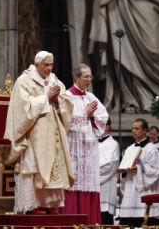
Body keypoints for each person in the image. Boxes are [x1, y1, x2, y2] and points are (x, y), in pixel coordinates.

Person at [4, 51, 75, 213]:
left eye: (51, 65)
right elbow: (22, 109)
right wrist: (46, 97)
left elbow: (67, 103)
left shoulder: (54, 80)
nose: (49, 68)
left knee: (52, 166)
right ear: (36, 65)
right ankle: (33, 205)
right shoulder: (24, 81)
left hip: (53, 132)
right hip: (33, 133)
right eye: (46, 65)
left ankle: (49, 204)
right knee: (34, 165)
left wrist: (58, 99)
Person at [62, 63, 109, 224]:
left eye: (90, 76)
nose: (89, 79)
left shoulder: (91, 97)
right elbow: (64, 120)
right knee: (73, 182)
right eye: (86, 76)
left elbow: (103, 117)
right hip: (73, 146)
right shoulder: (66, 96)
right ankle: (70, 222)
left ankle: (90, 223)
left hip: (89, 148)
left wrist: (91, 117)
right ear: (76, 77)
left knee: (88, 182)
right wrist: (85, 114)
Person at [119, 118, 159, 227]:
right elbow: (123, 169)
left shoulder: (151, 149)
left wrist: (139, 168)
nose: (133, 131)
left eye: (137, 128)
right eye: (133, 128)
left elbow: (156, 170)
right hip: (130, 187)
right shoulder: (129, 149)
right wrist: (124, 170)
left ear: (145, 131)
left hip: (144, 191)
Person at [98, 118, 120, 225]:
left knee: (104, 220)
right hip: (92, 190)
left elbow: (109, 167)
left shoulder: (113, 144)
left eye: (100, 124)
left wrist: (91, 175)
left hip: (105, 188)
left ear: (107, 127)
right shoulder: (93, 142)